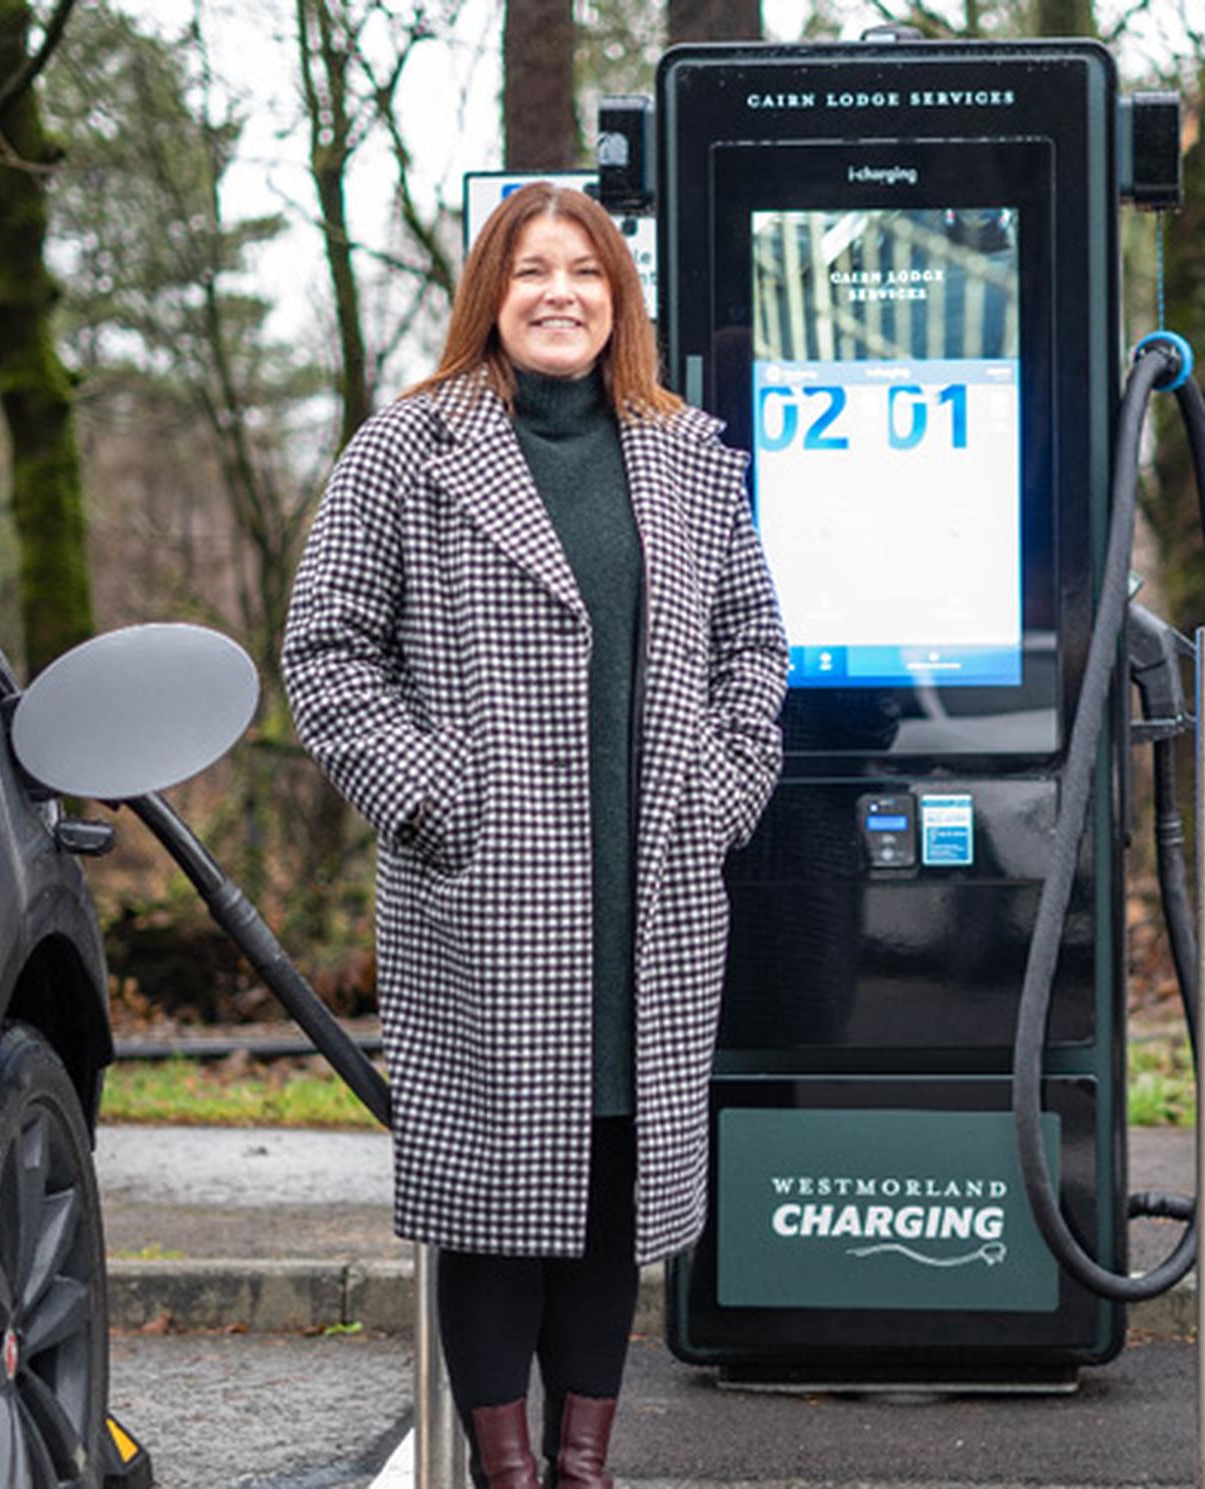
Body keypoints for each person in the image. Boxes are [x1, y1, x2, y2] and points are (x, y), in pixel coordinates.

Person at [283, 183, 787, 1489]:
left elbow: (754, 648)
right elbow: (326, 649)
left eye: (587, 272)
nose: (560, 292)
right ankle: (506, 1472)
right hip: (488, 893)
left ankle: (583, 1466)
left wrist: (726, 792)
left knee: (616, 1182)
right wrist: (431, 798)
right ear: (491, 298)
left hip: (655, 890)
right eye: (532, 271)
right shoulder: (409, 449)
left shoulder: (691, 456)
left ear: (619, 299)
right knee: (498, 1197)